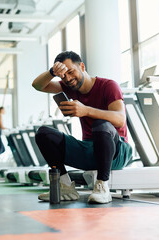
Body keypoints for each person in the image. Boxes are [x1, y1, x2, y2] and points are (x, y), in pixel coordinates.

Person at [32, 51, 132, 204]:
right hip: (90, 150)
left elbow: (120, 119)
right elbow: (37, 85)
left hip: (116, 152)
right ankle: (65, 185)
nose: (68, 78)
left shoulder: (108, 85)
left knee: (101, 124)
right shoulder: (68, 87)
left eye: (71, 72)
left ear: (82, 66)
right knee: (43, 134)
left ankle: (102, 186)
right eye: (63, 76)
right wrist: (53, 72)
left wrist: (86, 110)